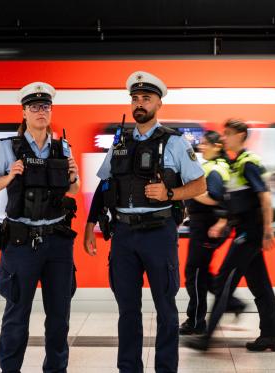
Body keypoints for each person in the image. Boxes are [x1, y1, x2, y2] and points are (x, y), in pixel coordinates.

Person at [83, 71, 206, 373]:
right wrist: (89, 225)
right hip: (123, 235)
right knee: (128, 311)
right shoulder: (120, 142)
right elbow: (104, 185)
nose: (139, 103)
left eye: (146, 98)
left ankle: (166, 369)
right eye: (135, 98)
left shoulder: (175, 142)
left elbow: (200, 185)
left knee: (166, 309)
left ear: (158, 104)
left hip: (159, 234)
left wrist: (171, 192)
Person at [0, 82, 80, 373]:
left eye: (45, 106)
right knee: (16, 316)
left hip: (58, 243)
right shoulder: (7, 148)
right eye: (34, 107)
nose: (40, 111)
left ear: (51, 111)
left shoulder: (63, 147)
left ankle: (56, 370)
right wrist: (9, 176)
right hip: (20, 244)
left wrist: (73, 178)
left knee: (59, 318)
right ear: (24, 112)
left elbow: (74, 190)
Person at [184, 119, 275, 352]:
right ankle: (272, 336)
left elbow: (265, 197)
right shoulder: (236, 163)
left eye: (228, 133)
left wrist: (268, 231)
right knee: (260, 286)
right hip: (244, 230)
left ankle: (206, 339)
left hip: (250, 233)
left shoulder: (248, 163)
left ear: (240, 135)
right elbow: (239, 202)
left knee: (224, 282)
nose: (224, 138)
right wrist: (225, 221)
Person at [180, 130, 245, 336]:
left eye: (206, 144)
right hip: (201, 226)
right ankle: (231, 302)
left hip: (207, 228)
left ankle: (197, 321)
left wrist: (190, 192)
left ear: (217, 146)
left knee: (195, 274)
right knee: (201, 273)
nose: (201, 147)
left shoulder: (216, 169)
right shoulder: (211, 166)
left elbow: (215, 197)